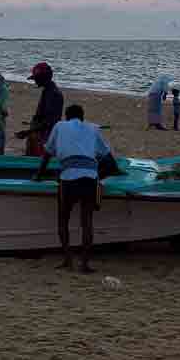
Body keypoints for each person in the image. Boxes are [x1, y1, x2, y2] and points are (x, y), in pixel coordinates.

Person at [36, 104, 118, 273]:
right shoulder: (93, 128)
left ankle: (68, 260)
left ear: (66, 117)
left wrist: (39, 175)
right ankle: (85, 264)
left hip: (68, 177)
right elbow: (110, 162)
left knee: (63, 219)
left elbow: (47, 154)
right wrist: (97, 175)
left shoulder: (59, 126)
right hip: (90, 176)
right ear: (82, 117)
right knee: (87, 221)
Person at [24, 62, 64, 157]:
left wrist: (29, 132)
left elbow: (50, 122)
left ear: (43, 78)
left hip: (45, 137)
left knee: (40, 161)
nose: (35, 81)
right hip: (41, 134)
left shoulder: (53, 94)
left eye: (36, 79)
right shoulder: (47, 91)